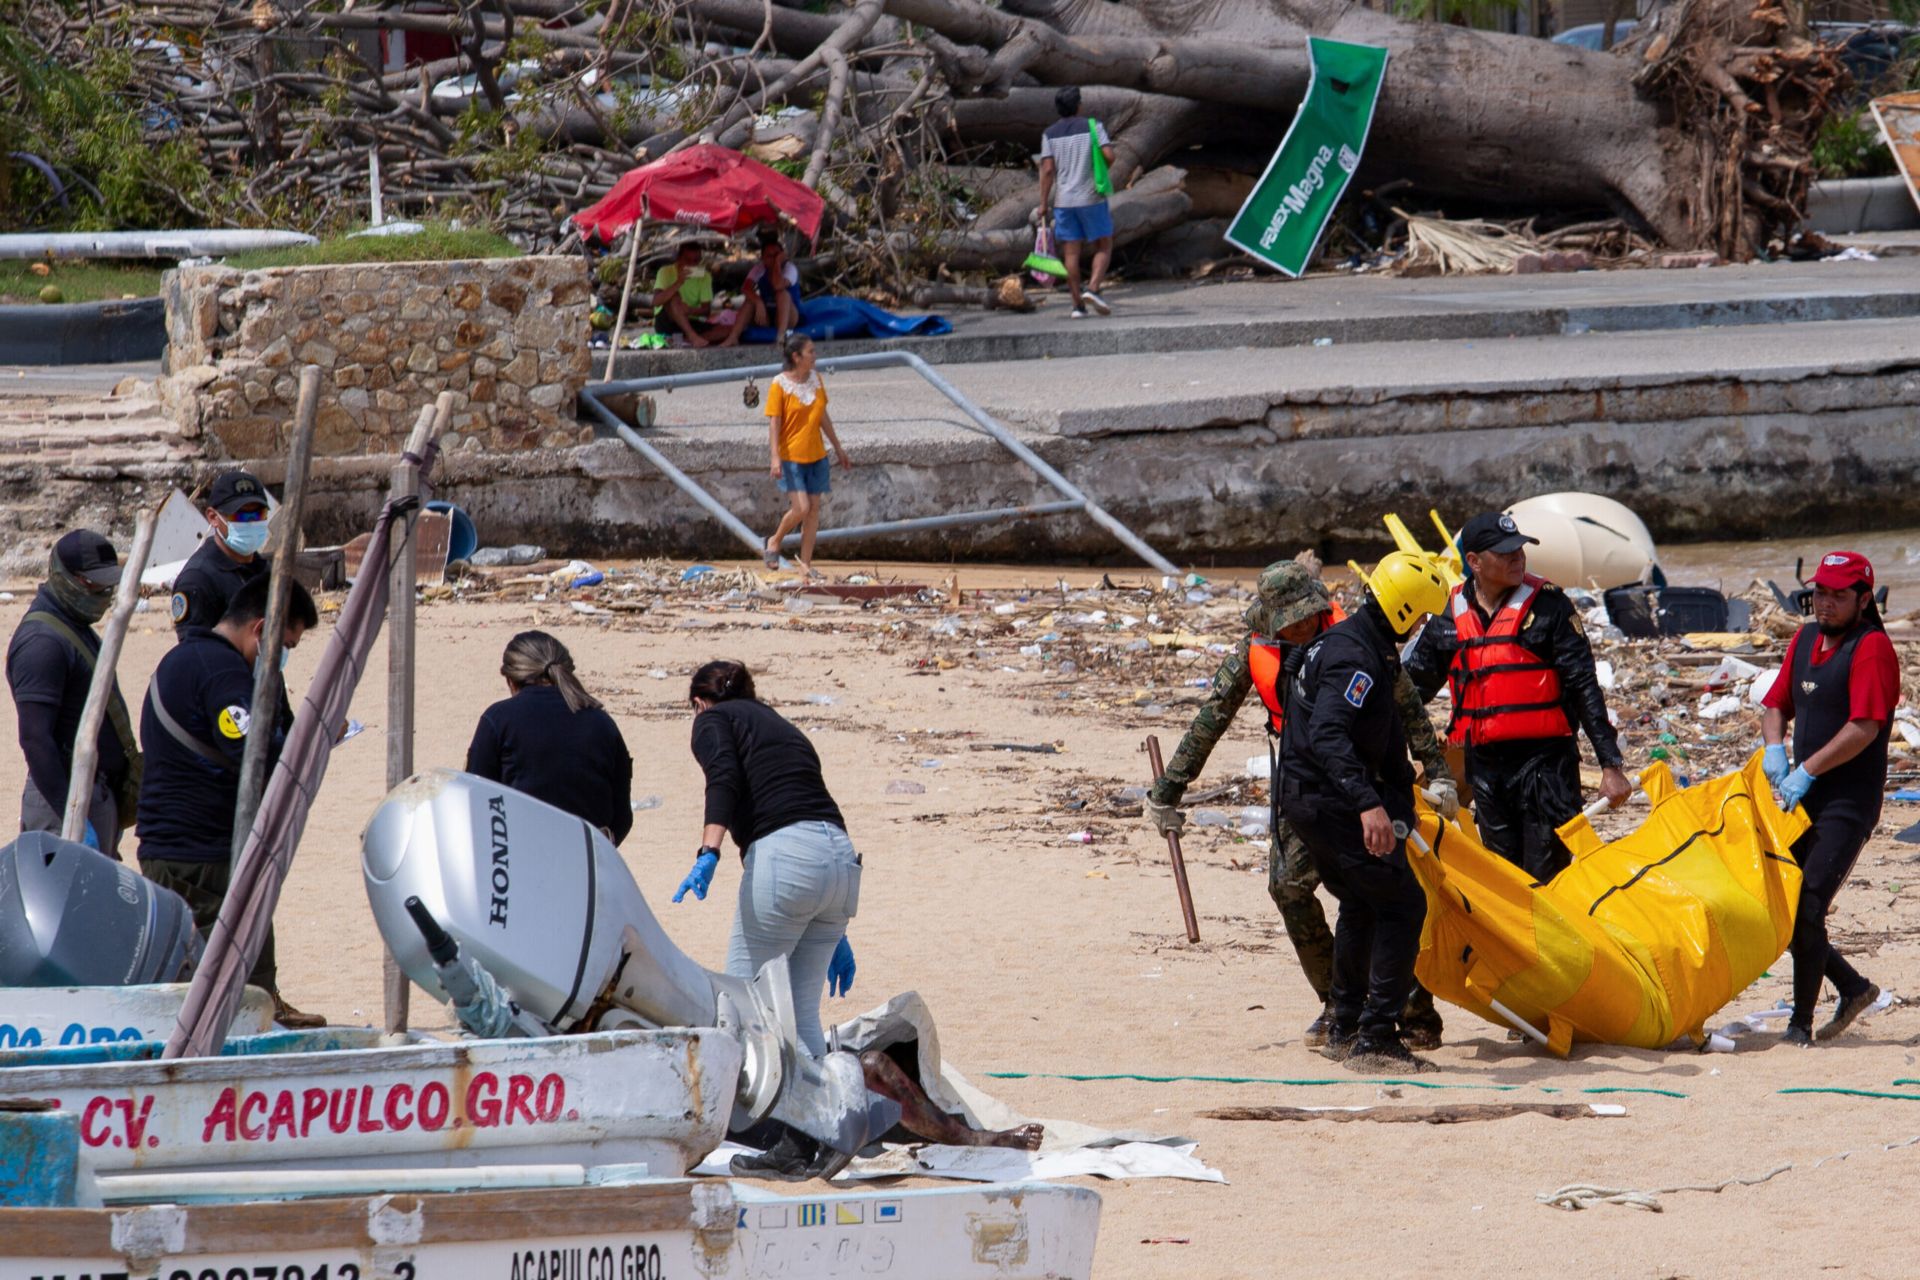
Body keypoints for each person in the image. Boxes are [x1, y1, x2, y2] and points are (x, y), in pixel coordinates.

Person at [1145, 559, 1460, 1049]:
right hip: (1306, 785)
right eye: (1285, 621)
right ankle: (1338, 1005)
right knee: (1291, 887)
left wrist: (1437, 773)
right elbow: (1211, 720)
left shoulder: (1352, 642)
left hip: (1364, 787)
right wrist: (1169, 790)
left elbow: (1408, 708)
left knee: (1381, 899)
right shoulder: (1256, 651)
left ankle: (1412, 1012)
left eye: (1303, 616)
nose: (1296, 627)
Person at [1279, 551, 1453, 1071]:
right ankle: (1377, 1034)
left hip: (1310, 801)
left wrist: (1398, 797)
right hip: (1333, 803)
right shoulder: (1355, 657)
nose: (1423, 626)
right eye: (1420, 616)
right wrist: (1369, 805)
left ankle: (1346, 1023)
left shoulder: (1350, 642)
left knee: (1360, 903)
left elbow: (1375, 732)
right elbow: (1329, 734)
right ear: (1403, 610)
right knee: (1403, 907)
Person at [138, 573, 323, 1028]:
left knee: (243, 969)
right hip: (198, 855)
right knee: (224, 994)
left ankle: (267, 1015)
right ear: (261, 628)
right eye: (287, 646)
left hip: (187, 848)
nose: (282, 660)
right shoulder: (222, 672)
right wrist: (312, 741)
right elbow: (253, 753)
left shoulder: (184, 659)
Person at [1404, 511, 1630, 882]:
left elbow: (1583, 688)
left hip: (1547, 766)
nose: (1517, 558)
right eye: (1505, 553)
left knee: (1546, 875)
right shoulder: (1449, 614)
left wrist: (1611, 765)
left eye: (1520, 550)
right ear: (1474, 562)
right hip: (1487, 770)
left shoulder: (1551, 607)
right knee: (1504, 877)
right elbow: (1411, 691)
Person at [672, 659, 859, 1057]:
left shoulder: (712, 719)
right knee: (804, 1013)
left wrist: (709, 852)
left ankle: (754, 1121)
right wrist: (835, 929)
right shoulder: (782, 727)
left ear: (700, 702)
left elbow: (723, 777)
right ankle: (822, 1115)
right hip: (840, 860)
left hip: (789, 860)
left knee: (744, 1007)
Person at [1761, 551, 1895, 1046]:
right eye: (1820, 592)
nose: (1826, 603)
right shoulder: (1804, 639)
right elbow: (1776, 702)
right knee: (1786, 905)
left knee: (1808, 906)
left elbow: (1864, 727)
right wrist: (1775, 746)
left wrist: (1807, 771)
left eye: (1839, 595)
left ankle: (1800, 1025)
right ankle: (1853, 987)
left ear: (1864, 598)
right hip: (1803, 795)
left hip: (1847, 800)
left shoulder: (1872, 647)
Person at [7, 530, 140, 857]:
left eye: (108, 586)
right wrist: (72, 819)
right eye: (93, 585)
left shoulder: (74, 625)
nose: (103, 594)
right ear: (62, 577)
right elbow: (35, 738)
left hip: (93, 796)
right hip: (65, 800)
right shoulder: (43, 640)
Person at [466, 631, 633, 844]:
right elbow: (621, 818)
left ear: (511, 680)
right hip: (587, 854)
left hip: (520, 853)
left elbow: (474, 801)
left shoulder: (498, 719)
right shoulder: (602, 722)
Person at [760, 333, 851, 578]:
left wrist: (838, 448)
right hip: (791, 457)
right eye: (810, 352)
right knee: (801, 508)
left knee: (813, 512)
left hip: (817, 456)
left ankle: (806, 566)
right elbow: (774, 422)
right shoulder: (779, 384)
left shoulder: (817, 380)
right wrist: (775, 457)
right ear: (796, 356)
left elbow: (823, 417)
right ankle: (775, 541)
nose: (815, 355)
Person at [1037, 85, 1114, 320]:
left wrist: (1043, 203)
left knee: (1071, 253)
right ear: (1078, 106)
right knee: (1104, 244)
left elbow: (1048, 170)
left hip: (1064, 201)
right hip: (1091, 197)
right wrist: (1099, 169)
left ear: (1058, 109)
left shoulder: (1049, 134)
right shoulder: (1093, 126)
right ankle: (1092, 288)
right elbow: (1109, 156)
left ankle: (1076, 305)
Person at [170, 470, 272, 636]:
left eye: (258, 514)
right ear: (213, 517)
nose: (251, 522)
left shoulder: (262, 569)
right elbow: (195, 652)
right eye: (240, 515)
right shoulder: (197, 580)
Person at [721, 237, 805, 347]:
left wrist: (777, 263)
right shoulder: (759, 269)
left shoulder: (790, 269)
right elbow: (745, 288)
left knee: (782, 294)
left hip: (790, 317)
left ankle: (781, 337)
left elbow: (778, 285)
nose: (773, 258)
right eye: (769, 256)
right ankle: (733, 337)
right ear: (763, 258)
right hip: (768, 315)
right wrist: (757, 301)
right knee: (749, 300)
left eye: (776, 255)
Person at [650, 240, 724, 348]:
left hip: (690, 320)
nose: (692, 264)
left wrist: (689, 310)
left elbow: (706, 310)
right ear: (678, 259)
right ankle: (693, 337)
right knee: (674, 296)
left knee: (730, 330)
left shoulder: (705, 276)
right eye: (688, 260)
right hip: (667, 320)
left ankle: (686, 339)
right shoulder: (665, 271)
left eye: (696, 261)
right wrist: (678, 282)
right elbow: (656, 302)